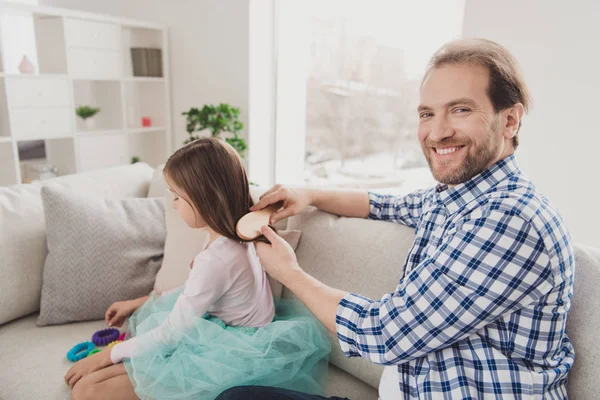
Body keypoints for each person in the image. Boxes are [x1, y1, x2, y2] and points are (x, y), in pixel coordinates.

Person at [218, 39, 575, 399]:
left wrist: (288, 272)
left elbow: (384, 334)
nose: (437, 132)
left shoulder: (510, 219)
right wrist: (308, 194)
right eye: (427, 114)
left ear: (510, 120)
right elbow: (383, 205)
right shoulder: (458, 198)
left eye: (461, 110)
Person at [64, 138, 331, 400]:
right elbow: (198, 291)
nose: (173, 203)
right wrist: (141, 301)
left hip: (228, 356)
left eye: (177, 196)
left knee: (87, 391)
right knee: (89, 385)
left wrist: (107, 355)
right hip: (218, 334)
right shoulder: (233, 234)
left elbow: (170, 334)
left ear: (206, 197)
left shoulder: (218, 258)